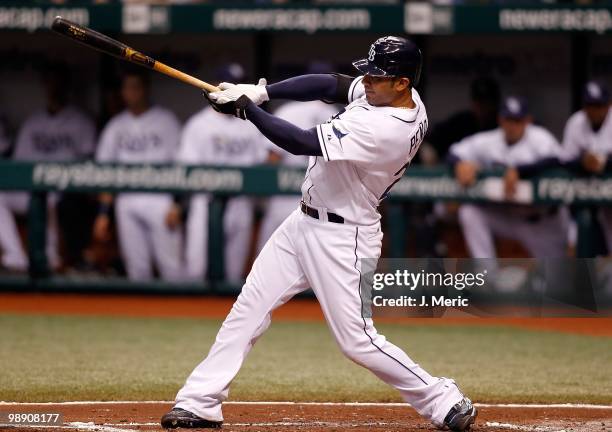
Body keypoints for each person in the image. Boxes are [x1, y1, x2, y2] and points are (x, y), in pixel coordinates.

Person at [161, 36, 477, 431]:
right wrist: (262, 92)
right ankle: (200, 402)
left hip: (345, 237)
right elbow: (329, 83)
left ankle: (442, 397)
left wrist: (247, 112)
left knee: (357, 341)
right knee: (248, 309)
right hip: (303, 222)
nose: (366, 81)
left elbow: (299, 142)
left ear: (403, 83)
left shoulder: (388, 128)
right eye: (368, 72)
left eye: (377, 77)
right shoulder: (385, 96)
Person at [168, 64, 267, 282]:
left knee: (233, 275)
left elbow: (262, 164)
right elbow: (186, 168)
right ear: (216, 86)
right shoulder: (199, 124)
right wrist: (177, 204)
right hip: (206, 199)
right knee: (196, 270)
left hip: (241, 201)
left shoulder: (252, 121)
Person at [0, 63, 96, 272]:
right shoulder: (33, 122)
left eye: (58, 83)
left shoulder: (80, 121)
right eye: (50, 82)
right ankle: (15, 256)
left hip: (62, 188)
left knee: (49, 196)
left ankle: (51, 257)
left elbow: (89, 162)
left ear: (66, 86)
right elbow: (18, 163)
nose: (53, 88)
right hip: (30, 188)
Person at [92, 68, 183, 281]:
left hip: (160, 198)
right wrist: (103, 213)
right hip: (127, 198)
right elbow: (104, 171)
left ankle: (181, 313)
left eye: (135, 87)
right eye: (127, 88)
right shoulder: (115, 126)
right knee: (136, 269)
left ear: (145, 90)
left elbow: (181, 165)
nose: (131, 93)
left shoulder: (166, 120)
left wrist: (177, 203)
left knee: (173, 269)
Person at [448, 96, 565, 258]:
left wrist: (519, 171)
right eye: (508, 120)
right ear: (500, 120)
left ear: (527, 121)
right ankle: (487, 278)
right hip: (507, 216)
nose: (512, 126)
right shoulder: (490, 140)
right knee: (469, 212)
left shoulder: (539, 137)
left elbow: (556, 159)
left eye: (517, 120)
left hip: (541, 222)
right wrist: (459, 164)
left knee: (557, 280)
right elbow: (455, 151)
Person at [256, 76, 338, 253]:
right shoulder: (342, 114)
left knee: (270, 267)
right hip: (327, 207)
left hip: (283, 201)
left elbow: (272, 159)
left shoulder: (290, 110)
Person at [561, 80, 612, 253]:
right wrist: (582, 162)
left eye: (599, 105)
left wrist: (604, 162)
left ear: (608, 104)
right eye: (590, 105)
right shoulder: (576, 122)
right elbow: (565, 160)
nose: (594, 110)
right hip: (585, 193)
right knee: (576, 241)